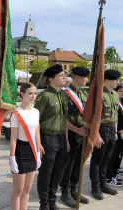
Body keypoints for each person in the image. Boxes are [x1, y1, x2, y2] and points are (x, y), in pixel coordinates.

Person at [34, 64, 69, 210]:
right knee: (46, 172)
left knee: (58, 171)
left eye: (63, 75)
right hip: (48, 138)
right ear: (51, 79)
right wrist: (39, 142)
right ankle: (44, 202)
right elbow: (36, 119)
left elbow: (65, 120)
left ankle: (52, 199)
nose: (64, 78)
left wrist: (66, 140)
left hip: (61, 139)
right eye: (61, 76)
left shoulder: (64, 95)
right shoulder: (44, 96)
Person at [9, 82, 44, 210]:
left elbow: (37, 134)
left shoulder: (36, 112)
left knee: (27, 189)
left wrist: (39, 153)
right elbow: (12, 138)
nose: (33, 96)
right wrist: (12, 158)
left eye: (35, 93)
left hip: (33, 151)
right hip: (20, 151)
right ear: (22, 94)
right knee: (18, 190)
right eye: (30, 93)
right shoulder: (16, 113)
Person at [59, 67, 90, 207]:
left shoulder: (82, 93)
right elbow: (63, 118)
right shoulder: (65, 94)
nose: (87, 80)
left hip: (81, 133)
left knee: (78, 163)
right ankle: (65, 191)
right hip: (71, 133)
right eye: (85, 78)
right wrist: (77, 130)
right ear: (78, 78)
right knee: (69, 163)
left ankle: (74, 189)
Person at [89, 69, 121, 200]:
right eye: (116, 80)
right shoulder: (99, 95)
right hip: (100, 130)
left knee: (107, 159)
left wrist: (115, 131)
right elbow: (93, 116)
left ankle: (103, 184)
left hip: (111, 130)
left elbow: (115, 114)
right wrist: (96, 135)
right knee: (97, 160)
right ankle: (95, 187)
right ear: (107, 80)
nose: (118, 82)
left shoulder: (114, 94)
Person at [106, 83, 123, 186]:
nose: (122, 93)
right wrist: (119, 129)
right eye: (120, 91)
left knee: (118, 154)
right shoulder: (115, 101)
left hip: (120, 132)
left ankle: (115, 171)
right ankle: (109, 176)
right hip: (116, 131)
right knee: (113, 155)